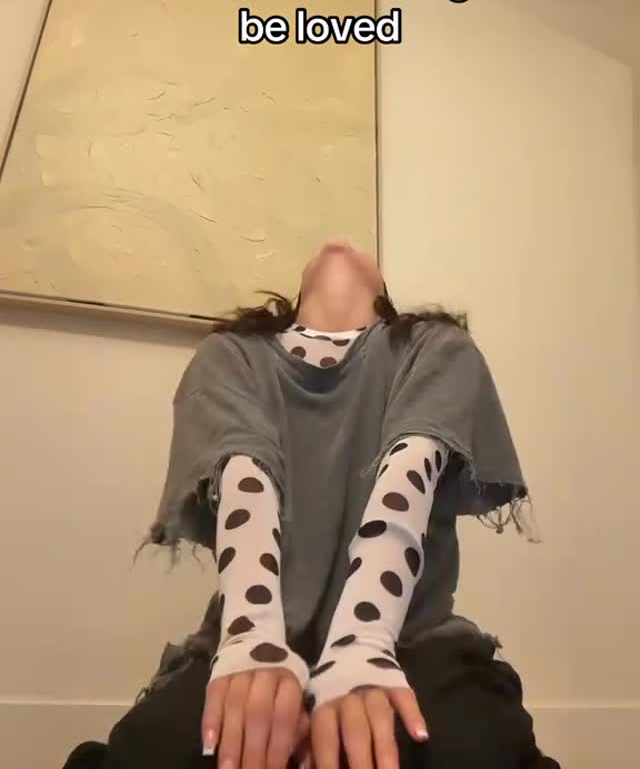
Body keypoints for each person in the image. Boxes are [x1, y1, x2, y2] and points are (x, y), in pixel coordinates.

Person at [72, 241, 560, 769]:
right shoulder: (231, 353)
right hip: (249, 636)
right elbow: (245, 479)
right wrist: (253, 640)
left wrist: (363, 642)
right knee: (145, 755)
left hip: (410, 639)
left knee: (475, 753)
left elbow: (409, 473)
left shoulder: (437, 346)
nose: (338, 245)